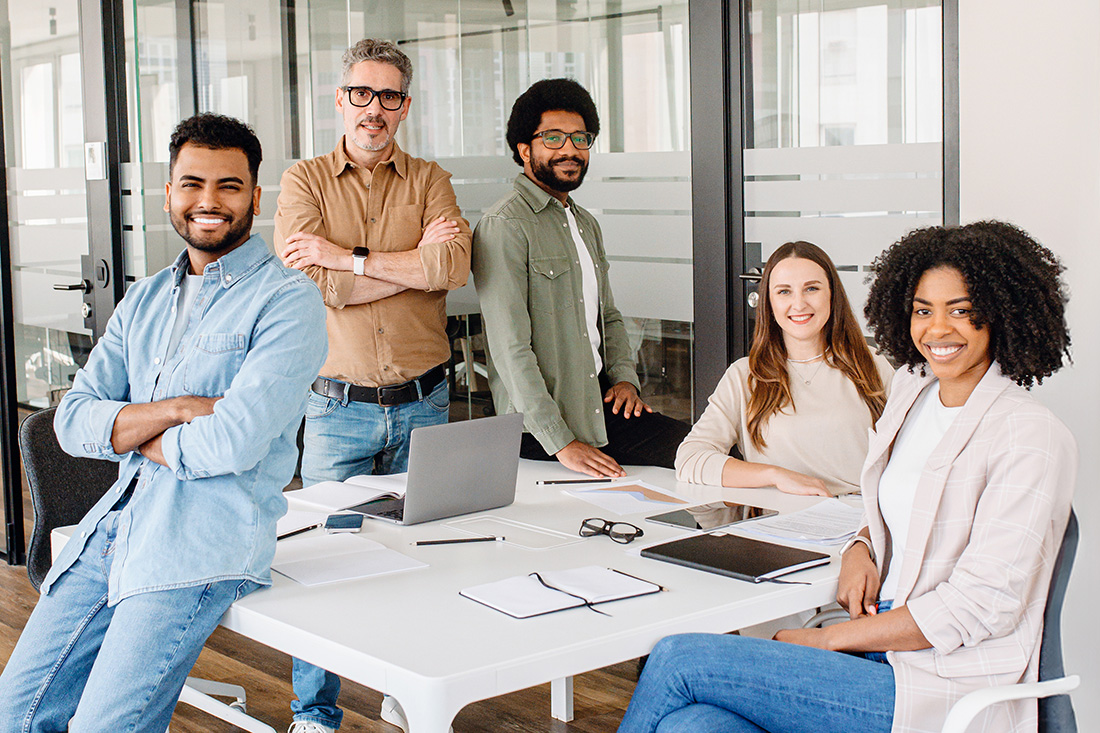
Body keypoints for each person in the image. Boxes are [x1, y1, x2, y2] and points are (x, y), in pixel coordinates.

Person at [617, 220, 1076, 733]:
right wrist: (861, 544)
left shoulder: (1029, 434)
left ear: (1005, 315)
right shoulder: (915, 390)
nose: (937, 329)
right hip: (872, 643)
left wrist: (831, 640)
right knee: (694, 726)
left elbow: (979, 606)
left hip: (936, 681)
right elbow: (890, 505)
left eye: (962, 311)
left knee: (679, 659)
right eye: (923, 310)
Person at [0, 113, 327, 731]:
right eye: (191, 184)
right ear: (170, 194)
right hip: (113, 526)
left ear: (256, 197)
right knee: (16, 712)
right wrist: (179, 410)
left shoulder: (288, 301)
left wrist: (127, 429)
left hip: (199, 541)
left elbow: (232, 442)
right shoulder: (144, 298)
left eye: (229, 186)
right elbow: (72, 423)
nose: (209, 201)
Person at [275, 38, 470, 733]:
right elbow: (310, 282)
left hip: (425, 402)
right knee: (321, 559)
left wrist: (349, 256)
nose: (374, 108)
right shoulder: (303, 182)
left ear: (405, 106)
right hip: (337, 407)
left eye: (389, 96)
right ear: (341, 98)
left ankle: (404, 687)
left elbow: (450, 267)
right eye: (362, 93)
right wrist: (404, 263)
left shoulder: (430, 179)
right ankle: (314, 713)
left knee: (420, 555)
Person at [472, 78, 689, 478]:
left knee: (702, 450)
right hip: (540, 431)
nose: (570, 149)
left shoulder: (584, 223)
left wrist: (625, 380)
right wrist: (562, 443)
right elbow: (509, 348)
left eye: (580, 138)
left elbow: (608, 317)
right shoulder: (504, 225)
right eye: (553, 138)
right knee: (692, 460)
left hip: (600, 408)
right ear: (524, 149)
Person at [676, 241, 892, 496]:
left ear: (832, 295)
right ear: (768, 301)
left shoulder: (870, 365)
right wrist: (775, 476)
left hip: (857, 524)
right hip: (777, 524)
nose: (799, 304)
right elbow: (690, 459)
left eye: (811, 288)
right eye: (784, 292)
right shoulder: (745, 375)